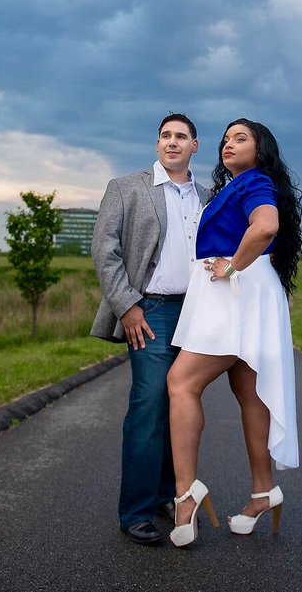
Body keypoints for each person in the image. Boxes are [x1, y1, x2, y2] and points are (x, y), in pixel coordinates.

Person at [165, 117, 302, 548]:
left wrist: (231, 266)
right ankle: (263, 492)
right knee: (251, 394)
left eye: (240, 139)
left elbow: (265, 227)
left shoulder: (254, 183)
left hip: (234, 291)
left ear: (260, 149)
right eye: (225, 140)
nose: (228, 145)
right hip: (243, 291)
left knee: (181, 383)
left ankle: (185, 495)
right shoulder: (235, 186)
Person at [91, 113, 210, 546]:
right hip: (151, 311)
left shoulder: (209, 196)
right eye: (165, 136)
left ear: (195, 145)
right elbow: (105, 252)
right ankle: (136, 511)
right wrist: (128, 307)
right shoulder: (126, 189)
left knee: (179, 404)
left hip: (198, 313)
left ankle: (167, 494)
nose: (172, 142)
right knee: (149, 403)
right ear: (157, 144)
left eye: (181, 136)